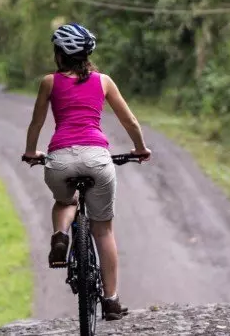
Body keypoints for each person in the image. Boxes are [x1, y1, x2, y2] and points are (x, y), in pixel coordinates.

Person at [22, 23, 151, 320]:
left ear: (59, 55)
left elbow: (36, 122)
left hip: (60, 160)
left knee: (65, 201)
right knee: (103, 229)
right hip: (97, 159)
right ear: (87, 54)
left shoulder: (49, 82)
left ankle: (60, 234)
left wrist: (31, 152)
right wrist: (140, 148)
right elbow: (129, 121)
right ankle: (111, 301)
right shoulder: (104, 81)